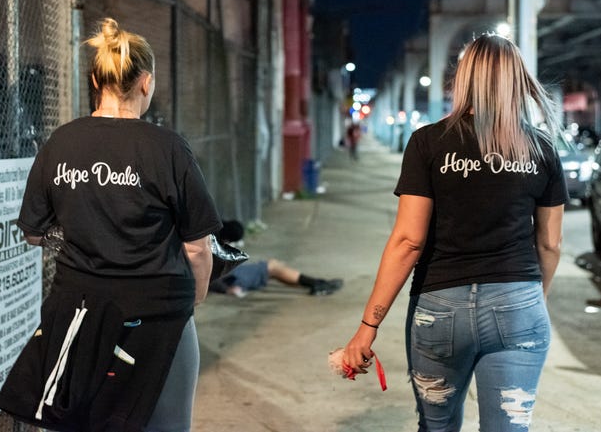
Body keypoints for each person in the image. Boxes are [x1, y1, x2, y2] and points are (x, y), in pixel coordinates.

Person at [0, 18, 222, 432]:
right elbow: (196, 246)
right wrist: (198, 295)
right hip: (155, 318)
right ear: (146, 83)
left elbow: (32, 232)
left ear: (96, 82)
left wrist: (79, 237)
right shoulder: (167, 147)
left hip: (77, 316)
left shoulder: (61, 141)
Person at [342, 33, 568, 432]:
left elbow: (408, 241)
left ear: (464, 79)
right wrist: (533, 300)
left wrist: (368, 326)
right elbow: (549, 243)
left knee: (437, 427)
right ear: (517, 80)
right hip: (519, 305)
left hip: (439, 308)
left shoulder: (428, 143)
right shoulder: (541, 149)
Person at [210, 220, 343, 297]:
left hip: (229, 274)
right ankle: (317, 283)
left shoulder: (212, 237)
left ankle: (317, 284)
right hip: (231, 278)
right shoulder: (211, 244)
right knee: (272, 267)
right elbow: (207, 274)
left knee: (274, 268)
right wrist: (226, 289)